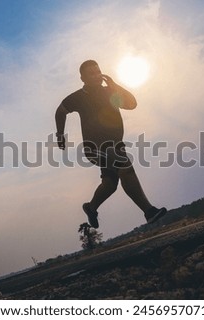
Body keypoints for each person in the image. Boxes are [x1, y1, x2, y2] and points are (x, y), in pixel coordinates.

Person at [55, 60, 166, 228]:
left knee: (110, 184)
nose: (96, 75)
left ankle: (91, 208)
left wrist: (116, 86)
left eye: (98, 71)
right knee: (125, 166)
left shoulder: (109, 93)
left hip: (115, 145)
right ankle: (148, 211)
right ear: (82, 78)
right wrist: (60, 134)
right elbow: (60, 111)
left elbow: (131, 104)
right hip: (94, 148)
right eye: (91, 73)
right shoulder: (78, 97)